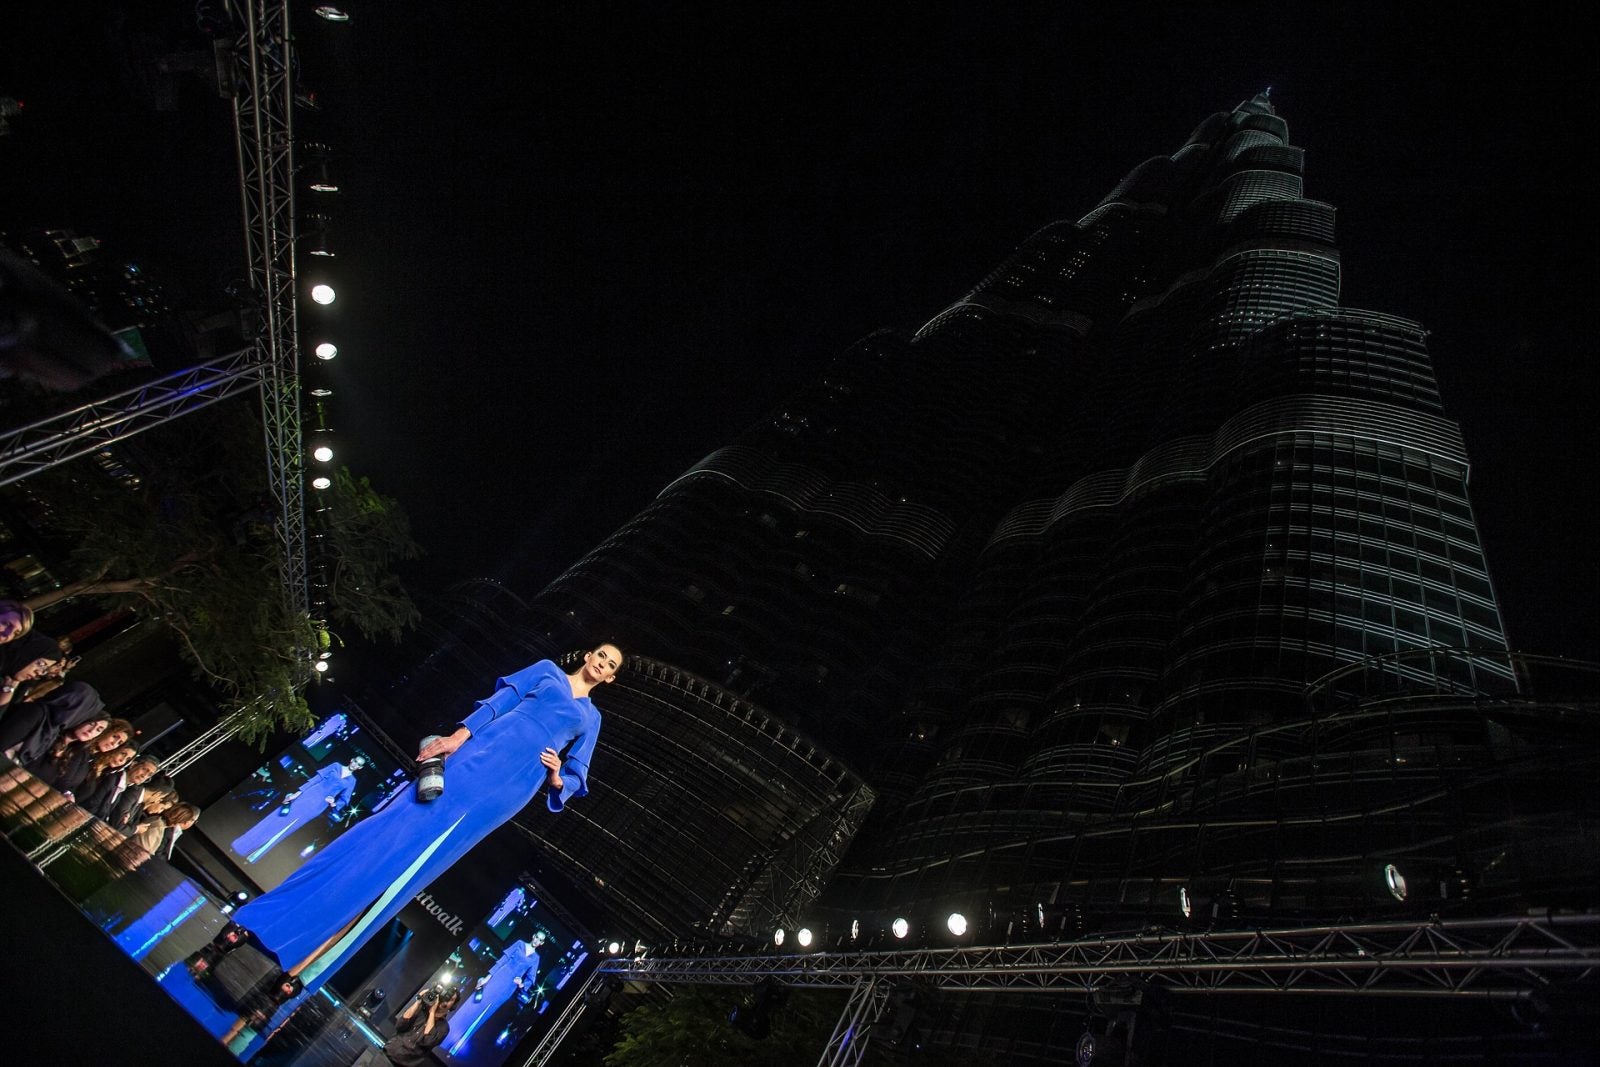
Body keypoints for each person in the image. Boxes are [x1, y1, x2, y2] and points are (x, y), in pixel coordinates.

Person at [225, 645, 622, 991]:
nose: (602, 664)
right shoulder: (547, 670)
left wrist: (557, 777)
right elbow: (500, 702)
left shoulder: (592, 718)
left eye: (610, 665)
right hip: (478, 756)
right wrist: (456, 737)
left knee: (413, 871)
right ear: (588, 655)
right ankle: (266, 920)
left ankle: (306, 969)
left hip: (511, 788)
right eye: (601, 655)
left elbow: (577, 772)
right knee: (381, 834)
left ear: (610, 678)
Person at [229, 756, 367, 863]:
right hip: (306, 796)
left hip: (317, 807)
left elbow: (345, 800)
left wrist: (333, 803)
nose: (355, 764)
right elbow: (314, 780)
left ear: (360, 768)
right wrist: (297, 794)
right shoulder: (335, 766)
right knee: (276, 819)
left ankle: (253, 856)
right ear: (351, 760)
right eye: (355, 761)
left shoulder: (352, 781)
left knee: (287, 829)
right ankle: (240, 846)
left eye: (359, 764)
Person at [445, 934, 544, 1055]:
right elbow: (503, 960)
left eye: (540, 940)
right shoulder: (520, 943)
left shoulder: (536, 958)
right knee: (473, 1006)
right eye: (537, 937)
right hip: (498, 976)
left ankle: (455, 1047)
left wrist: (522, 984)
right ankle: (446, 1034)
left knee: (485, 1014)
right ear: (533, 936)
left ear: (541, 943)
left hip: (509, 987)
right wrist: (487, 978)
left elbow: (531, 978)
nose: (537, 940)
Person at [0, 682, 109, 765]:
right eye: (85, 713)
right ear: (72, 705)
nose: (83, 718)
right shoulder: (34, 713)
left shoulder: (52, 729)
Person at [382, 986, 462, 1067]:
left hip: (403, 1064)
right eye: (446, 996)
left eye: (450, 999)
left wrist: (432, 1012)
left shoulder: (444, 1028)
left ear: (453, 1006)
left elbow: (427, 1040)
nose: (446, 1000)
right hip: (387, 1053)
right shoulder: (421, 1009)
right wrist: (418, 1001)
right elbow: (400, 1025)